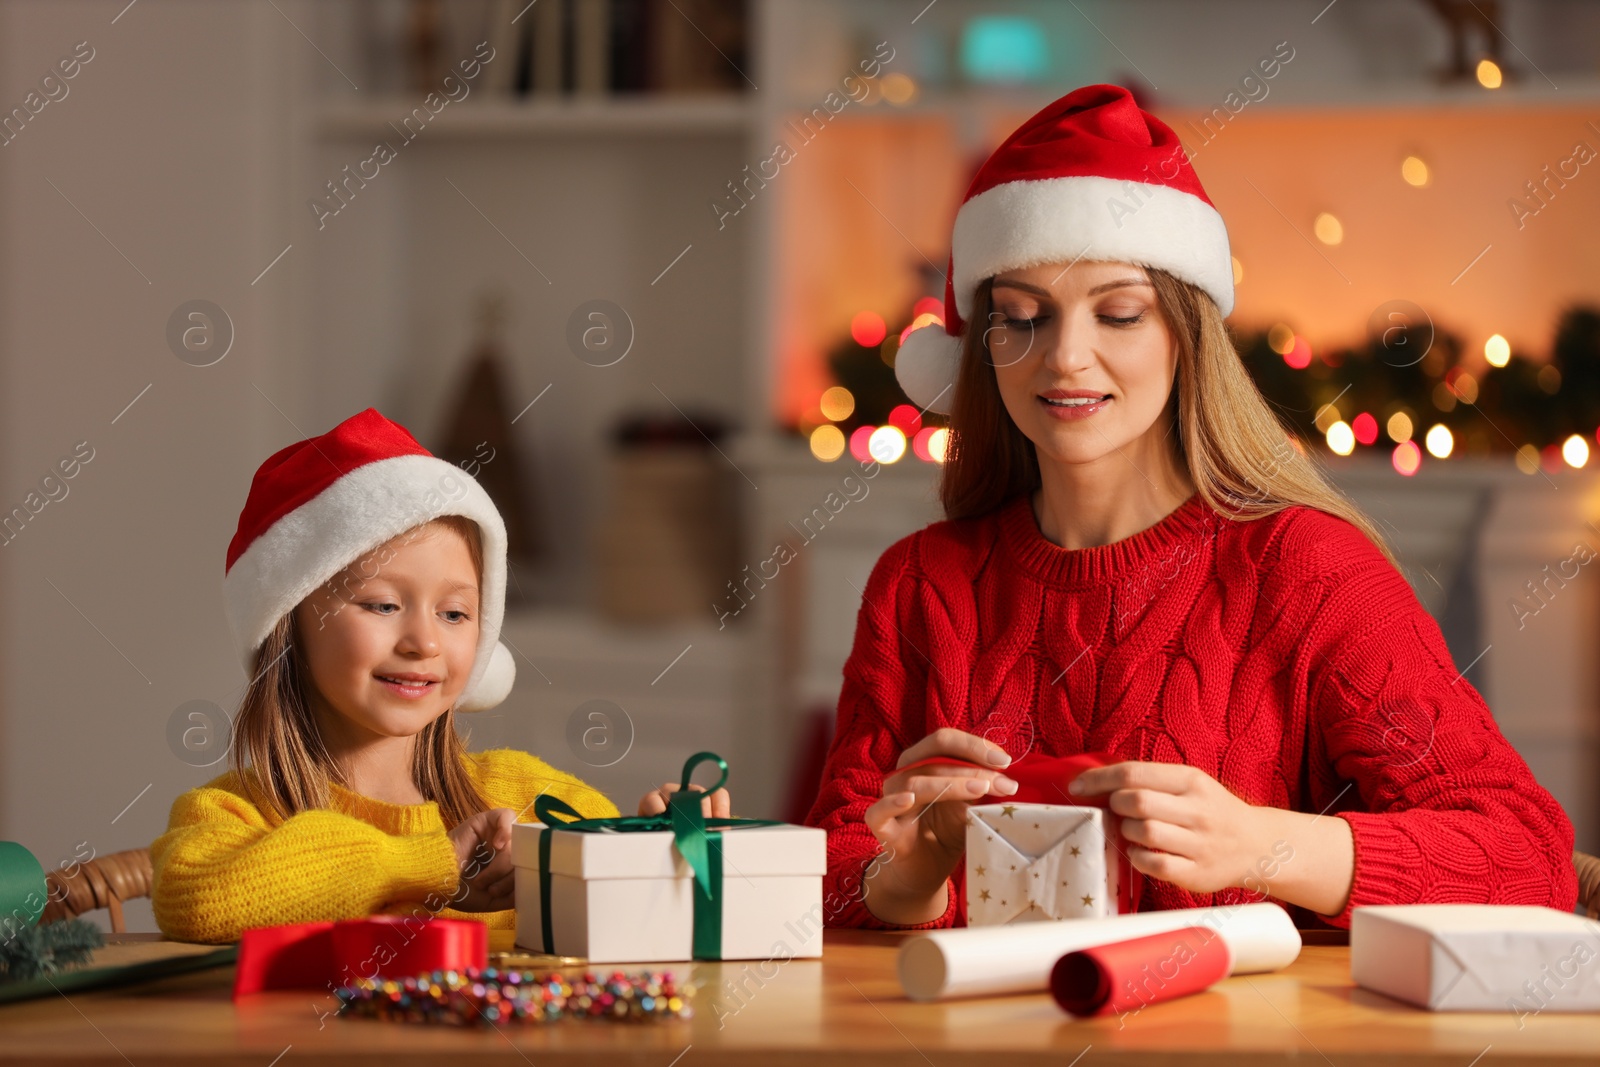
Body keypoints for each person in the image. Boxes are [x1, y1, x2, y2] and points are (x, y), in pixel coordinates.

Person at [804, 84, 1577, 931]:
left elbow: (1528, 858)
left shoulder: (1306, 570)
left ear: (1184, 335)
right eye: (1021, 317)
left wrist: (1260, 845)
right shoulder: (921, 582)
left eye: (1119, 313)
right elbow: (823, 869)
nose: (1064, 357)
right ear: (984, 346)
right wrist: (907, 874)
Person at [151, 408, 725, 943]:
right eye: (380, 605)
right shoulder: (237, 814)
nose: (423, 642)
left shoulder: (522, 795)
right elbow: (196, 902)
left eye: (453, 614)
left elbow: (640, 918)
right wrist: (430, 864)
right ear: (290, 625)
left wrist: (665, 849)